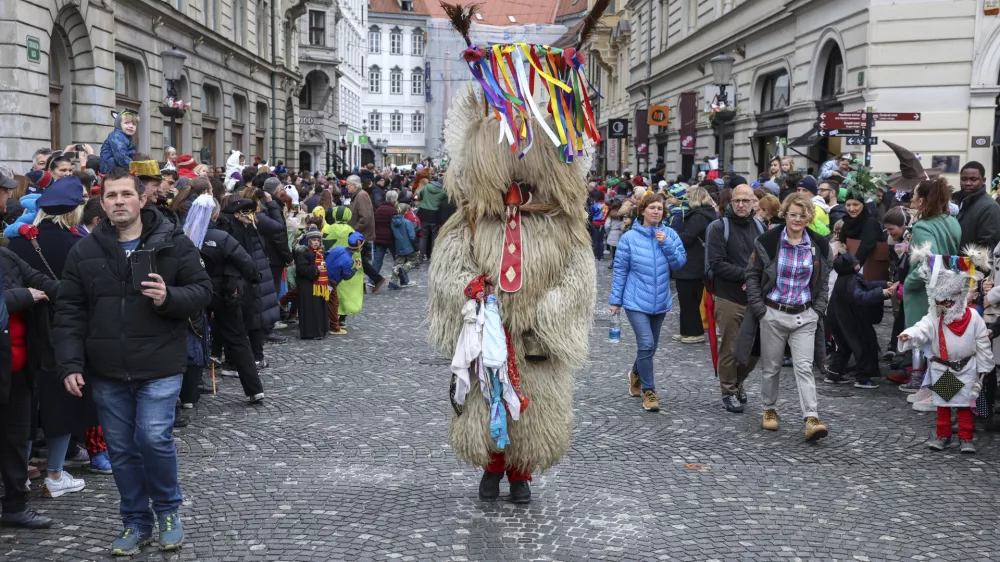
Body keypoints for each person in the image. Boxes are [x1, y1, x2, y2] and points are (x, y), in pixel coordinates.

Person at [54, 167, 212, 554]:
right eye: (111, 196)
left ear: (142, 199)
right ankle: (136, 522)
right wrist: (71, 364)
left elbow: (203, 291)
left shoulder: (172, 242)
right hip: (107, 368)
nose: (119, 201)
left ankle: (169, 512)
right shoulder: (85, 249)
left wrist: (168, 297)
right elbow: (70, 311)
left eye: (127, 194)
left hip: (159, 363)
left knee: (153, 437)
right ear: (102, 203)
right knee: (122, 449)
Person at [738, 192, 833, 441]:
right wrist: (760, 310)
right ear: (785, 214)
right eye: (793, 214)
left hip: (804, 315)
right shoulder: (768, 241)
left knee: (804, 367)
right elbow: (752, 274)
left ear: (809, 217)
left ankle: (811, 418)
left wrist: (817, 310)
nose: (797, 219)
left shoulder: (819, 245)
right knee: (771, 367)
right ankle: (769, 409)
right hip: (773, 312)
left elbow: (823, 283)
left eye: (803, 215)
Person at [899, 254, 992, 454]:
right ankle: (943, 435)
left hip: (966, 367)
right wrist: (909, 334)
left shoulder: (974, 317)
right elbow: (922, 328)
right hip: (944, 367)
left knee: (965, 405)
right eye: (940, 302)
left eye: (947, 303)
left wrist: (985, 367)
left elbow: (983, 342)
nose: (943, 306)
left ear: (957, 299)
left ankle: (966, 437)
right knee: (944, 405)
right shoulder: (935, 316)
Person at [609, 194, 687, 413]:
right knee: (646, 343)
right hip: (635, 301)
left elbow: (680, 263)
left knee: (650, 347)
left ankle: (636, 373)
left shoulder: (669, 234)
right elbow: (620, 270)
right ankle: (649, 391)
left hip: (660, 300)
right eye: (651, 208)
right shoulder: (629, 238)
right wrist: (615, 300)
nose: (656, 212)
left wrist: (667, 244)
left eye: (659, 208)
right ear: (642, 210)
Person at [189, 195, 263, 402]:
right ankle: (254, 389)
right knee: (238, 339)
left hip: (195, 291)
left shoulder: (186, 236)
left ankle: (188, 395)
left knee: (193, 337)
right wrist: (255, 278)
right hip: (222, 292)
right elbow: (245, 262)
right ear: (216, 214)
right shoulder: (222, 237)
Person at [900, 178, 962, 404]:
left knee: (933, 347)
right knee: (941, 344)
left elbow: (930, 262)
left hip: (927, 291)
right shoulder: (952, 221)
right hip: (949, 288)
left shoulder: (923, 226)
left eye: (916, 195)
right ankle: (931, 389)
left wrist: (909, 282)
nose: (912, 199)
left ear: (924, 199)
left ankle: (944, 394)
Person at [707, 184, 765, 413]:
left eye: (746, 201)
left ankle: (739, 382)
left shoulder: (761, 227)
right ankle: (729, 391)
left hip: (756, 297)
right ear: (730, 202)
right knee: (730, 348)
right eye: (737, 201)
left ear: (754, 202)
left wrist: (755, 280)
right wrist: (748, 275)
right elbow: (717, 263)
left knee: (756, 349)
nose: (741, 205)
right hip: (729, 297)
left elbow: (767, 260)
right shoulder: (719, 227)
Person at [218, 198, 281, 369]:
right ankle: (234, 362)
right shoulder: (234, 229)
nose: (251, 216)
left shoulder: (249, 228)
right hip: (240, 282)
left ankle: (244, 359)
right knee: (240, 324)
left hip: (252, 280)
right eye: (247, 212)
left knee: (251, 320)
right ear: (238, 214)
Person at [826, 253, 895, 388]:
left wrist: (883, 284)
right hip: (850, 320)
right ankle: (862, 378)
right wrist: (882, 292)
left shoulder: (846, 278)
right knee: (864, 345)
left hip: (839, 318)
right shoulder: (851, 281)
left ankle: (834, 372)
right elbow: (861, 296)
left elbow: (865, 285)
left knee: (845, 346)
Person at [673, 186, 717, 343]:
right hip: (695, 262)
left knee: (689, 298)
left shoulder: (699, 216)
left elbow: (687, 237)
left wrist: (673, 236)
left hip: (692, 263)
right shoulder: (706, 214)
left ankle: (695, 332)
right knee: (686, 298)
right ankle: (686, 331)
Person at [346, 175, 387, 292]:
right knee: (359, 260)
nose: (347, 187)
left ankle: (377, 279)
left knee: (360, 260)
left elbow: (366, 217)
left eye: (348, 185)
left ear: (354, 185)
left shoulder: (361, 195)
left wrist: (354, 230)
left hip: (361, 235)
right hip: (359, 234)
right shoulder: (357, 195)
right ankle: (364, 284)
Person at [294, 228, 330, 340]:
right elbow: (301, 269)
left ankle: (321, 331)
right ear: (309, 241)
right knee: (310, 309)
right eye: (313, 240)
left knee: (319, 309)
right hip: (307, 286)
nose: (316, 242)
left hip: (318, 286)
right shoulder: (303, 253)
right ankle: (310, 332)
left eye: (318, 240)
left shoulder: (320, 253)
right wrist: (315, 269)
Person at [956, 161, 1000, 250]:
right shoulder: (952, 200)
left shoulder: (990, 207)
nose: (968, 183)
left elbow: (987, 246)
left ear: (983, 180)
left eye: (973, 179)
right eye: (964, 179)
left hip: (969, 262)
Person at [838, 185, 882, 267]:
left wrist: (856, 262)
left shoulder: (870, 222)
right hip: (849, 264)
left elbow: (866, 244)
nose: (851, 209)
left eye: (855, 205)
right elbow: (841, 240)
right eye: (848, 205)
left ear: (863, 205)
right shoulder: (847, 221)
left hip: (867, 267)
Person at [99, 109, 139, 174]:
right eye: (127, 123)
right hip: (112, 174)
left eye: (134, 124)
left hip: (117, 171)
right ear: (119, 124)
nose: (131, 126)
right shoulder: (116, 136)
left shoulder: (125, 138)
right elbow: (121, 157)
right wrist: (138, 168)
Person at [414, 178, 446, 260]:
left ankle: (421, 255)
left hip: (424, 213)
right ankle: (432, 255)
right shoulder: (443, 192)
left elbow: (419, 196)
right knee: (434, 236)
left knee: (424, 236)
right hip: (434, 215)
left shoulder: (426, 187)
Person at [372, 190, 399, 277]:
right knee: (398, 259)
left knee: (377, 260)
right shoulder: (393, 211)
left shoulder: (379, 209)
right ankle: (402, 280)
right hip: (390, 238)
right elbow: (395, 226)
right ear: (395, 200)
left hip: (379, 238)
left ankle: (372, 279)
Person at [390, 203, 418, 287]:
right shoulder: (407, 222)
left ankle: (393, 282)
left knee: (397, 263)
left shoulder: (393, 222)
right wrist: (417, 247)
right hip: (408, 246)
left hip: (398, 245)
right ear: (406, 212)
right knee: (413, 260)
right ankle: (403, 270)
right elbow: (412, 236)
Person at [588, 192, 609, 260]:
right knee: (601, 240)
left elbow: (591, 215)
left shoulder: (594, 206)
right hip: (603, 224)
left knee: (595, 240)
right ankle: (601, 255)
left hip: (595, 224)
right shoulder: (606, 206)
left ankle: (596, 255)